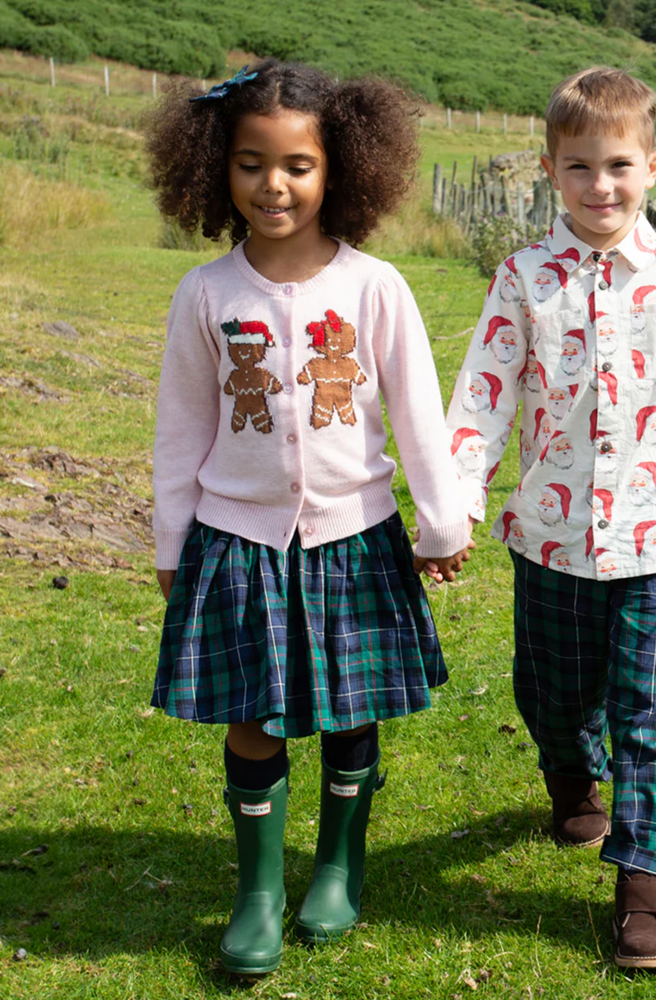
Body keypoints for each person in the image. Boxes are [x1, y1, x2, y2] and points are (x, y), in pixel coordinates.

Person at [144, 60, 471, 976]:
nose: (273, 185)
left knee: (348, 709)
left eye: (297, 165)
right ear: (217, 167)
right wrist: (173, 541)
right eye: (251, 164)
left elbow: (417, 416)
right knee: (250, 713)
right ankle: (256, 889)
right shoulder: (205, 295)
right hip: (236, 541)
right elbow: (181, 431)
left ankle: (337, 862)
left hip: (353, 537)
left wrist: (441, 525)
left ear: (342, 170)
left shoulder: (377, 289)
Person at [443, 67, 656, 970]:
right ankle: (567, 773)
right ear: (552, 170)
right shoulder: (522, 279)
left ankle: (644, 886)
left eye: (619, 165)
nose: (601, 186)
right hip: (548, 543)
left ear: (654, 166)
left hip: (655, 539)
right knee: (555, 697)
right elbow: (483, 395)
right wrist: (456, 503)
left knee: (653, 713)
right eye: (580, 167)